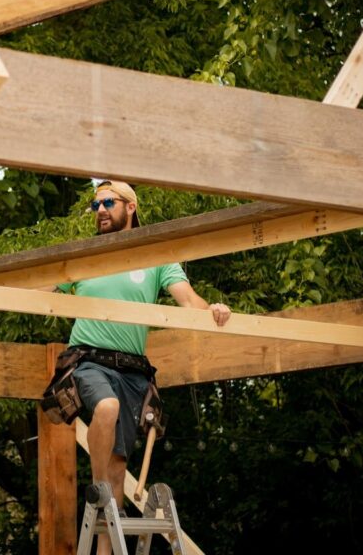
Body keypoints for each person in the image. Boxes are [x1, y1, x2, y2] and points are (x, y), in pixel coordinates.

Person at [57, 181, 230, 555]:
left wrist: (214, 310)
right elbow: (36, 287)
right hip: (88, 359)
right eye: (96, 204)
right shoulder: (84, 255)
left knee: (119, 465)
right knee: (105, 408)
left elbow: (189, 303)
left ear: (130, 207)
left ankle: (105, 536)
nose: (100, 209)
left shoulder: (156, 256)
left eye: (108, 202)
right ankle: (99, 492)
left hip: (133, 372)